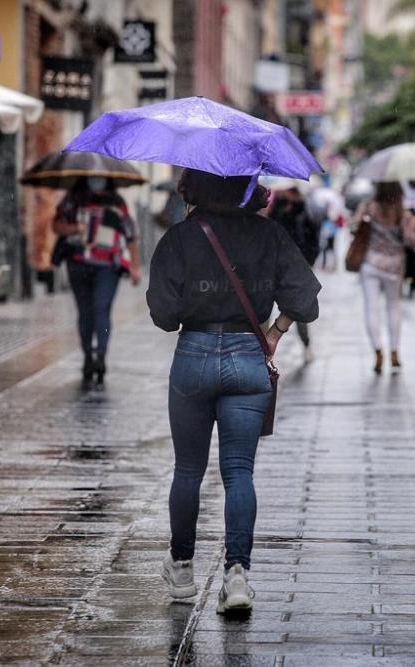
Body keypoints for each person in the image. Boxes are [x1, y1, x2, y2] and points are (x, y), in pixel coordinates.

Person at [147, 169, 321, 614]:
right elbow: (305, 302)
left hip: (195, 356)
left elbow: (164, 317)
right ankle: (237, 575)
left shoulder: (180, 238)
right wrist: (276, 332)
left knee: (188, 470)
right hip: (248, 357)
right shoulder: (270, 235)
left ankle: (182, 566)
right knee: (239, 472)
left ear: (194, 189)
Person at [53, 176, 142, 388]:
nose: (97, 180)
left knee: (102, 309)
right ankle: (87, 357)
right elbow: (56, 225)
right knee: (85, 312)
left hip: (108, 266)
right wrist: (76, 229)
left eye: (100, 177)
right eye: (93, 177)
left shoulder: (117, 202)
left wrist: (135, 266)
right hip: (78, 262)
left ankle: (100, 356)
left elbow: (130, 234)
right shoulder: (73, 200)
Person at [352, 182, 415, 374]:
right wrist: (412, 225)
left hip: (370, 263)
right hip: (395, 266)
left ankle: (378, 351)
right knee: (394, 306)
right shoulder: (403, 214)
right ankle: (395, 352)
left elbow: (353, 227)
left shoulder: (368, 207)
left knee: (371, 307)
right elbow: (411, 242)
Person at [268, 187, 320, 362]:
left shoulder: (303, 211)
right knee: (265, 308)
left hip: (297, 267)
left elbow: (313, 239)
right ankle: (265, 347)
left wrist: (307, 263)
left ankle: (306, 344)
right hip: (275, 267)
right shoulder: (277, 209)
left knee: (298, 310)